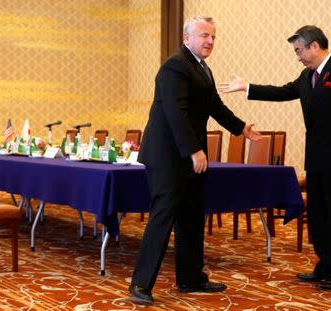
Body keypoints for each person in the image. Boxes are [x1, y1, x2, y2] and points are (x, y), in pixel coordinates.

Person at [219, 25, 331, 290]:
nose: (297, 55)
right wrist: (247, 87)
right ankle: (325, 265)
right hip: (317, 160)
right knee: (319, 216)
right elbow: (282, 92)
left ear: (314, 46)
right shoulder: (306, 76)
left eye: (299, 50)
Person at [130, 16, 261, 305]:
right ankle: (140, 284)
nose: (210, 41)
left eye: (213, 37)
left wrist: (240, 128)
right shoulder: (175, 66)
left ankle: (191, 279)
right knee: (163, 217)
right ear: (187, 38)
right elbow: (176, 112)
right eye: (204, 36)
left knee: (192, 217)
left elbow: (214, 105)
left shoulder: (202, 68)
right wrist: (194, 150)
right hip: (168, 156)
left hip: (188, 155)